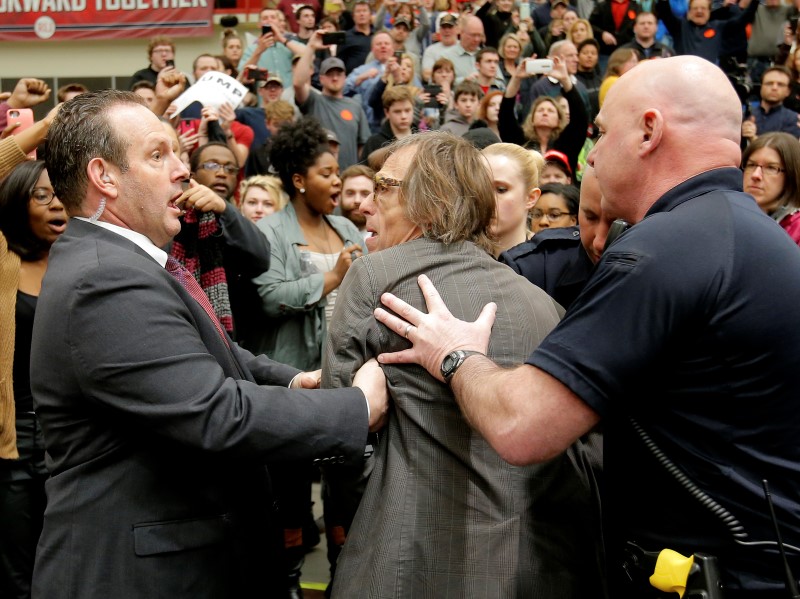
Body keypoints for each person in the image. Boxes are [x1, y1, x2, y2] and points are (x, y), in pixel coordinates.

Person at [371, 55, 800, 598]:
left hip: (712, 578)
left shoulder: (664, 249)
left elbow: (521, 426)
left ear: (649, 131)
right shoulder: (753, 236)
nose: (592, 153)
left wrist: (454, 354)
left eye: (600, 132)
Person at [30, 89, 387, 599]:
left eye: (178, 152)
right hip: (143, 574)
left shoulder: (124, 260)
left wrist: (291, 379)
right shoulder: (104, 279)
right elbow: (215, 413)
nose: (182, 170)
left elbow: (205, 349)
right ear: (103, 177)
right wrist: (356, 408)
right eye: (159, 155)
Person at [325, 132, 603, 599]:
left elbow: (340, 438)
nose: (366, 205)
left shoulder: (374, 278)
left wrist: (368, 510)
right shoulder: (544, 306)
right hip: (536, 565)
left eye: (384, 187)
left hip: (406, 563)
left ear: (430, 203)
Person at [251, 117, 367, 597]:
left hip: (340, 370)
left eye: (337, 172)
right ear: (298, 180)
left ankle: (345, 571)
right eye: (325, 173)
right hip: (294, 372)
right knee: (291, 489)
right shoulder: (271, 231)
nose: (336, 181)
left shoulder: (344, 226)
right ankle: (291, 579)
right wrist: (332, 279)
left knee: (344, 484)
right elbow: (268, 295)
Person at [0, 161, 66, 599]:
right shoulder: (4, 263)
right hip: (14, 443)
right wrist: (40, 128)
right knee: (17, 571)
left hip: (72, 441)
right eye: (42, 195)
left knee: (65, 564)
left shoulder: (84, 262)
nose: (57, 201)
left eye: (61, 192)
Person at [499, 165, 603, 309]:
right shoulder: (523, 265)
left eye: (554, 215)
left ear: (574, 220)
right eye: (537, 214)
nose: (543, 222)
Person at [500, 56, 588, 176]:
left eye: (551, 111)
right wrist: (516, 78)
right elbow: (505, 118)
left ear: (559, 120)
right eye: (540, 110)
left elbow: (580, 118)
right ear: (532, 118)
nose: (545, 113)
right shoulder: (520, 141)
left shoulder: (567, 141)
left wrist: (565, 79)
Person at [295, 41, 372, 169]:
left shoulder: (355, 106)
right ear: (320, 79)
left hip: (348, 177)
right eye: (330, 74)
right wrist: (311, 47)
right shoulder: (314, 100)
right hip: (320, 175)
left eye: (339, 74)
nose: (335, 78)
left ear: (345, 77)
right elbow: (298, 83)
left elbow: (362, 146)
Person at [481, 142, 541, 255]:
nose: (487, 199)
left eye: (501, 190)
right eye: (479, 188)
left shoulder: (547, 263)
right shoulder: (454, 257)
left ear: (531, 198)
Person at [742, 131, 800, 246]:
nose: (755, 175)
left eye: (771, 168)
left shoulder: (797, 229)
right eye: (751, 165)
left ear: (791, 175)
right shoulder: (728, 215)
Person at [742, 66, 800, 141]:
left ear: (788, 91)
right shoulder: (745, 115)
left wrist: (753, 138)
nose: (774, 87)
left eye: (780, 84)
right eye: (769, 83)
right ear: (761, 87)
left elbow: (786, 150)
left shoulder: (794, 119)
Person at [339, 164, 373, 235]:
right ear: (340, 196)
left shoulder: (388, 240)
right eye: (350, 193)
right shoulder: (326, 236)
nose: (357, 200)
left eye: (365, 194)